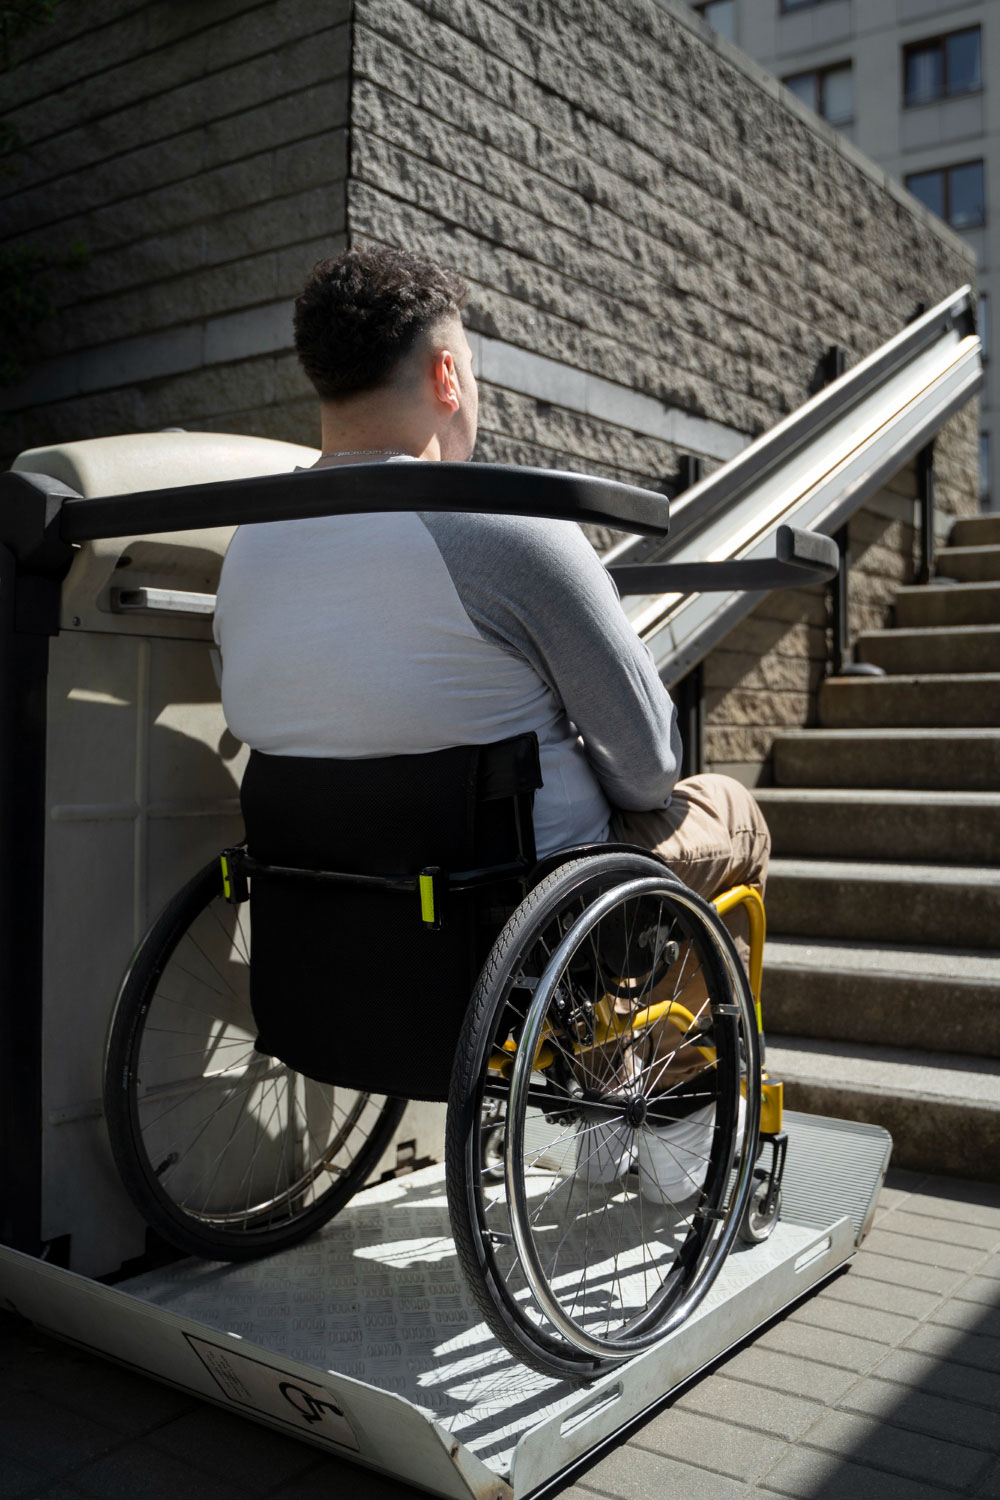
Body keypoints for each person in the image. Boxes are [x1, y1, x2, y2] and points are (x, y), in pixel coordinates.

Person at [213, 245, 769, 1190]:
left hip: (330, 912)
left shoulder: (250, 546)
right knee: (730, 814)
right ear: (446, 373)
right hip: (512, 908)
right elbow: (645, 761)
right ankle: (670, 1124)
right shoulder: (507, 523)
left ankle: (610, 1102)